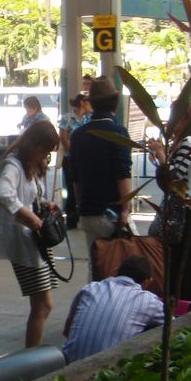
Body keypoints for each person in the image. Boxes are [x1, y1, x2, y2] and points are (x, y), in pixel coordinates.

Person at [0, 120, 61, 348]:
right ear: (34, 145)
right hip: (24, 241)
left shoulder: (33, 164)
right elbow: (4, 194)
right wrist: (29, 217)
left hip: (35, 240)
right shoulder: (14, 165)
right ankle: (32, 355)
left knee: (44, 305)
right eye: (44, 150)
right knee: (42, 305)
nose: (45, 156)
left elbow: (29, 196)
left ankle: (32, 353)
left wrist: (45, 204)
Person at [68, 77, 134, 279]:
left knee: (96, 266)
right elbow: (123, 173)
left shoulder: (77, 135)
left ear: (92, 103)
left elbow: (75, 177)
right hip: (112, 215)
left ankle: (94, 298)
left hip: (89, 213)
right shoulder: (118, 132)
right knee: (126, 266)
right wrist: (125, 209)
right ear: (115, 101)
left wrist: (81, 205)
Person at [147, 125, 191, 305]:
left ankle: (185, 307)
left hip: (187, 215)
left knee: (185, 269)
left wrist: (162, 156)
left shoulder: (187, 143)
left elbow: (174, 180)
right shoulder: (189, 143)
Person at [62, 256, 164, 362]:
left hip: (68, 364)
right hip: (109, 370)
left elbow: (67, 331)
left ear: (115, 271)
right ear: (148, 282)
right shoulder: (149, 300)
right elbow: (173, 328)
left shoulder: (90, 288)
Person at [58, 93, 93, 228]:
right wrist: (74, 152)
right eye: (89, 102)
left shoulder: (91, 118)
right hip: (71, 158)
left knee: (86, 187)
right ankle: (72, 219)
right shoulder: (67, 118)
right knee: (71, 188)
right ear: (82, 102)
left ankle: (85, 215)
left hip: (87, 158)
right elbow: (63, 137)